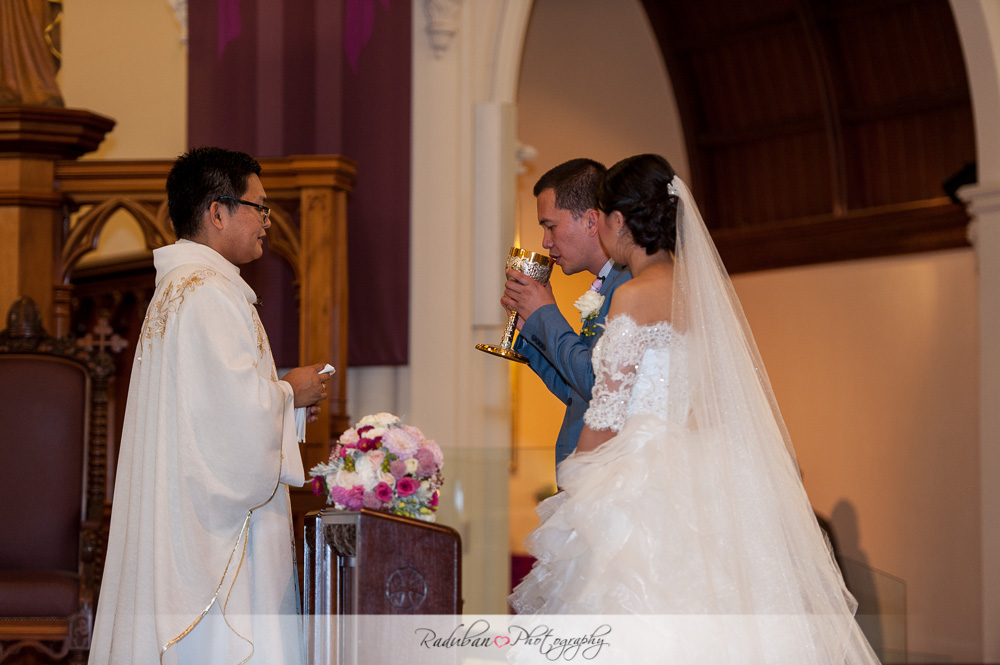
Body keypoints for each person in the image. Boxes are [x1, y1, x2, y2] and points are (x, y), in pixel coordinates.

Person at [509, 154, 879, 663]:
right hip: (698, 474)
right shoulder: (700, 294)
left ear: (616, 221)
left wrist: (577, 484)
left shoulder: (633, 296)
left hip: (634, 483)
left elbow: (605, 409)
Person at [90, 147, 327, 665]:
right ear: (217, 212)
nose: (268, 221)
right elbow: (236, 423)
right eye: (258, 207)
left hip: (185, 507)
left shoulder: (183, 287)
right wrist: (292, 392)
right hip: (214, 527)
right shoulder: (208, 293)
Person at [502, 158, 630, 476]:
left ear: (590, 221)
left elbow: (598, 385)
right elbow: (576, 391)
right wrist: (530, 327)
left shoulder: (628, 286)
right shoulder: (604, 284)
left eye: (550, 226)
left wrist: (545, 314)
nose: (546, 242)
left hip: (608, 475)